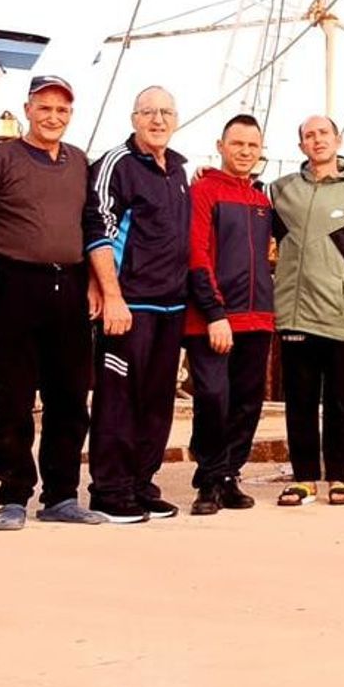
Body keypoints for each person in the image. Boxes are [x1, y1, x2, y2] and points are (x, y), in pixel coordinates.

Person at [0, 74, 104, 530]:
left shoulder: (80, 162)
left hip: (70, 285)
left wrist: (97, 283)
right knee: (13, 395)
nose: (53, 116)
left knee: (71, 396)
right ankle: (14, 494)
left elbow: (91, 225)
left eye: (62, 109)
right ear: (28, 109)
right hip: (14, 284)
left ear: (70, 114)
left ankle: (61, 496)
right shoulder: (0, 158)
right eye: (44, 108)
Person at [84, 86, 191, 524]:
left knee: (157, 400)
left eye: (166, 112)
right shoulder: (116, 165)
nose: (158, 120)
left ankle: (141, 483)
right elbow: (97, 227)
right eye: (149, 112)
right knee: (117, 399)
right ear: (134, 118)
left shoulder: (179, 171)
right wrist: (112, 295)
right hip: (130, 305)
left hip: (171, 307)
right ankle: (109, 490)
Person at [269, 115, 344, 508]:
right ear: (301, 146)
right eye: (308, 135)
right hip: (295, 313)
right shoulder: (280, 191)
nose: (317, 140)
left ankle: (339, 477)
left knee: (339, 403)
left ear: (338, 140)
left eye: (323, 133)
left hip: (341, 313)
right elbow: (245, 204)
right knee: (299, 402)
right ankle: (304, 480)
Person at [182, 114, 274, 516]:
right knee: (213, 399)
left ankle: (229, 475)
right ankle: (208, 477)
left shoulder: (263, 200)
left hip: (258, 318)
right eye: (237, 144)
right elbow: (196, 254)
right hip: (213, 320)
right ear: (220, 146)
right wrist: (214, 311)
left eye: (253, 146)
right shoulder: (203, 191)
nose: (245, 152)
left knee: (247, 403)